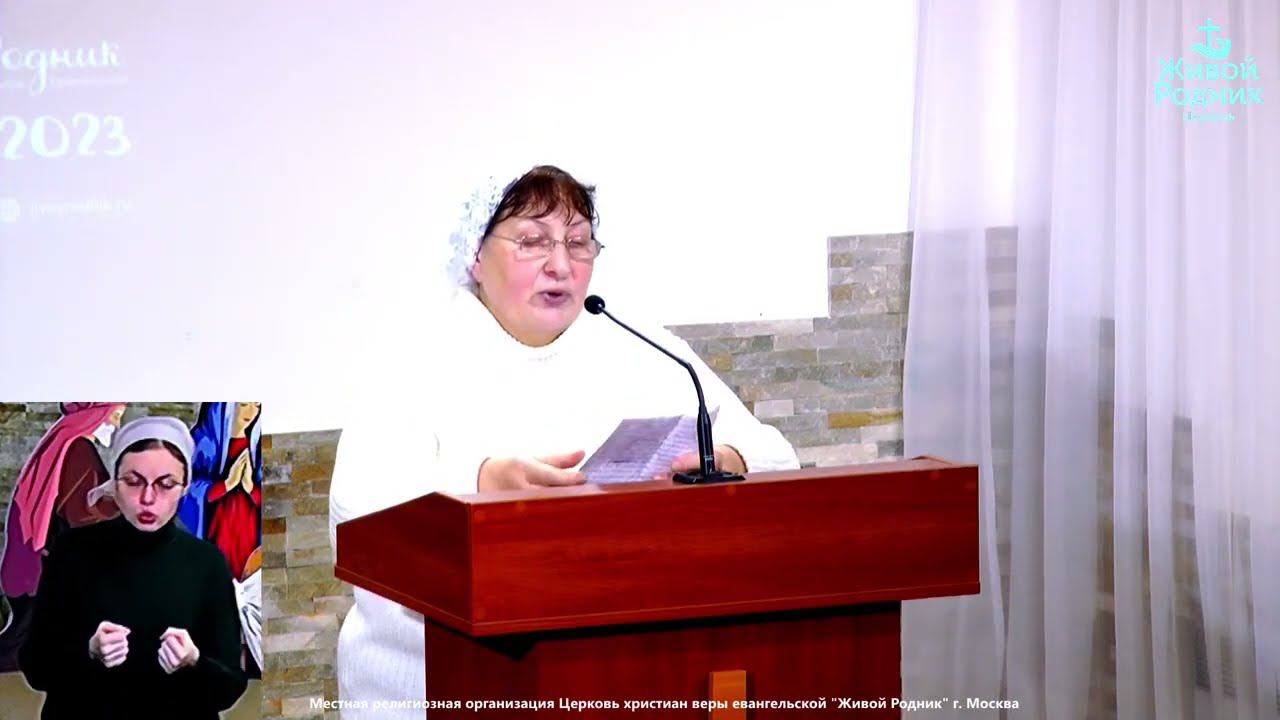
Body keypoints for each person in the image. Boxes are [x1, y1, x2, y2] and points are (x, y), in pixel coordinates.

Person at [329, 165, 799, 717]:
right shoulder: (416, 358)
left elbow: (778, 458)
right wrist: (478, 485)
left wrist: (725, 459)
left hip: (616, 677)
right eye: (532, 241)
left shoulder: (642, 350)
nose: (560, 264)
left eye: (578, 243)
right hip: (436, 688)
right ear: (476, 255)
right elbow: (358, 517)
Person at [18, 416, 248, 720]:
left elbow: (230, 687)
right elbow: (35, 667)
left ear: (184, 487)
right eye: (134, 481)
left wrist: (194, 662)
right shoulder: (72, 552)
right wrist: (88, 652)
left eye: (166, 484)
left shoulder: (207, 562)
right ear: (114, 484)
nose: (148, 498)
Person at [0, 402, 125, 671]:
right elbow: (81, 511)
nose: (115, 424)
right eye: (114, 415)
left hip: (45, 559)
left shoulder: (63, 441)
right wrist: (118, 500)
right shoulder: (79, 448)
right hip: (53, 564)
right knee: (22, 646)